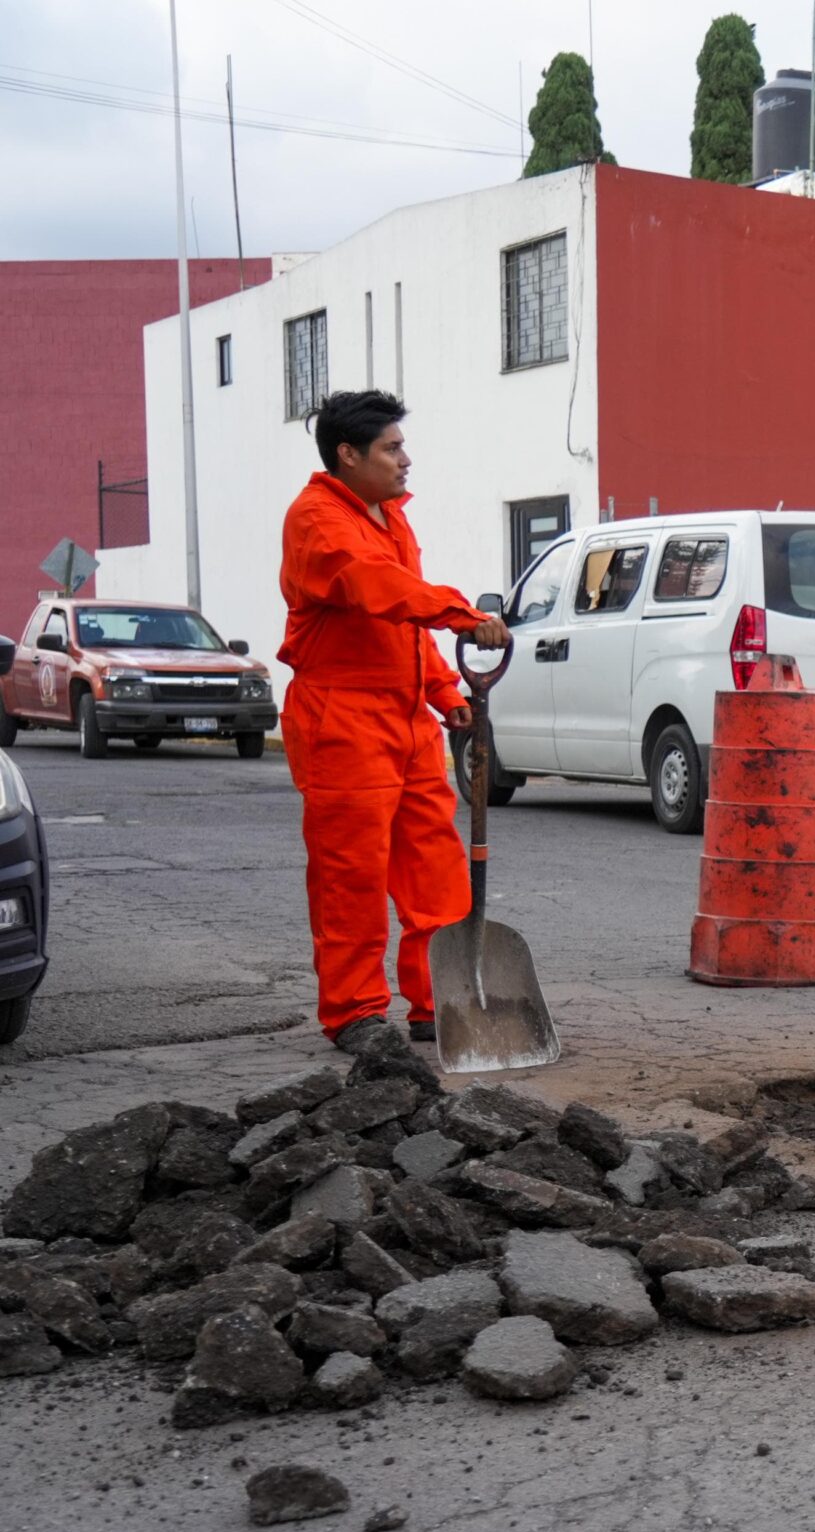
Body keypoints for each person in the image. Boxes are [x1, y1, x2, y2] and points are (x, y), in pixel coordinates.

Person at [277, 390, 507, 1052]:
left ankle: (438, 1000)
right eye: (392, 448)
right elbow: (374, 586)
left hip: (404, 716)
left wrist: (442, 688)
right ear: (348, 455)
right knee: (351, 872)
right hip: (341, 717)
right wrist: (459, 611)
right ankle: (354, 1011)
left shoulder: (389, 517)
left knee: (434, 867)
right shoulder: (319, 522)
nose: (406, 459)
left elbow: (399, 625)